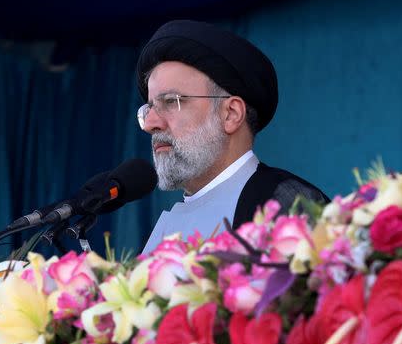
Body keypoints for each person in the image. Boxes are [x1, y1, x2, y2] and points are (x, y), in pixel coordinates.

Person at [137, 20, 328, 253]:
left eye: (171, 102)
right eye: (149, 108)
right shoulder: (168, 225)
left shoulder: (286, 203)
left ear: (231, 114)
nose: (149, 124)